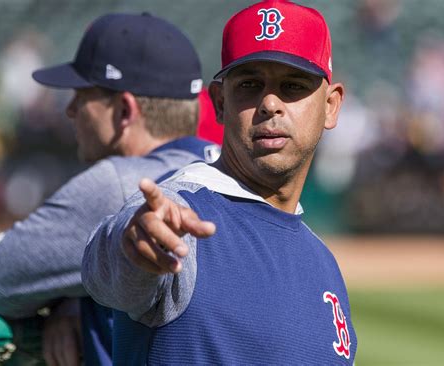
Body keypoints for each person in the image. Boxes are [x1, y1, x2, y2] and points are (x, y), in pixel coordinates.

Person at [82, 1, 357, 364]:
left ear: (331, 105)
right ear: (220, 102)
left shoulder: (323, 261)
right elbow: (110, 270)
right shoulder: (180, 213)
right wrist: (133, 245)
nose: (270, 103)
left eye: (292, 86)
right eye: (250, 85)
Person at [0, 13, 220, 366]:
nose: (72, 110)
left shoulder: (121, 184)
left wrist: (61, 299)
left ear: (125, 110)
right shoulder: (229, 170)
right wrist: (81, 297)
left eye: (82, 95)